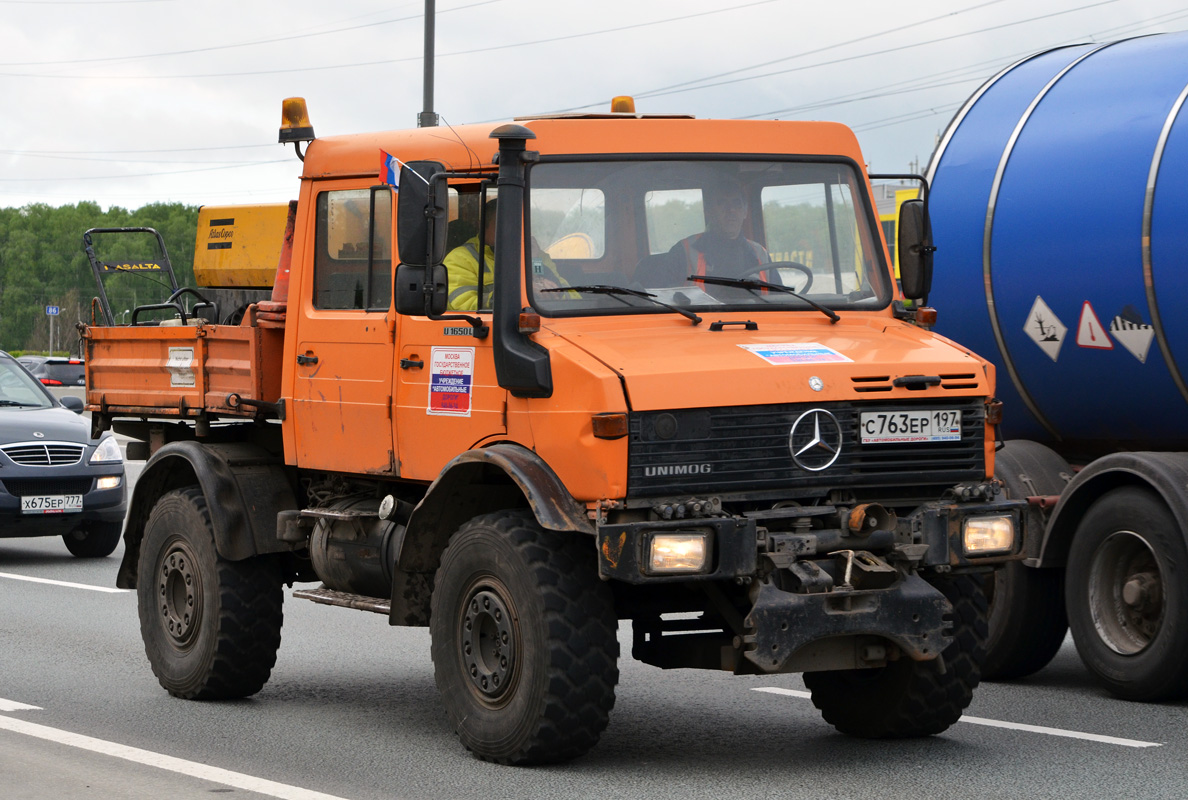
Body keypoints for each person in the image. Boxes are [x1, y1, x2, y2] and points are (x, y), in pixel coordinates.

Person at [444, 198, 571, 310]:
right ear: (481, 226)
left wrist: (533, 262)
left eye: (517, 225)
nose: (511, 231)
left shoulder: (537, 255)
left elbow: (574, 296)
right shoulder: (460, 259)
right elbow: (465, 305)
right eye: (503, 226)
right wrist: (521, 292)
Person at [669, 181, 769, 280]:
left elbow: (778, 294)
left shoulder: (761, 254)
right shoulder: (683, 252)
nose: (731, 210)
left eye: (737, 203)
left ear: (745, 212)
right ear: (709, 212)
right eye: (722, 203)